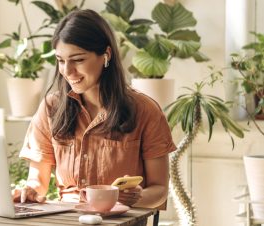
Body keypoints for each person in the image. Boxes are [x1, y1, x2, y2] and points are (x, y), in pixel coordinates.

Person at [12, 9, 176, 209]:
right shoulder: (51, 107)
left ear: (106, 55)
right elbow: (38, 182)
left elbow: (159, 189)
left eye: (78, 60)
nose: (67, 71)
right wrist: (30, 191)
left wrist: (135, 198)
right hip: (67, 219)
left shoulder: (145, 110)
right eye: (61, 61)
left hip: (122, 220)